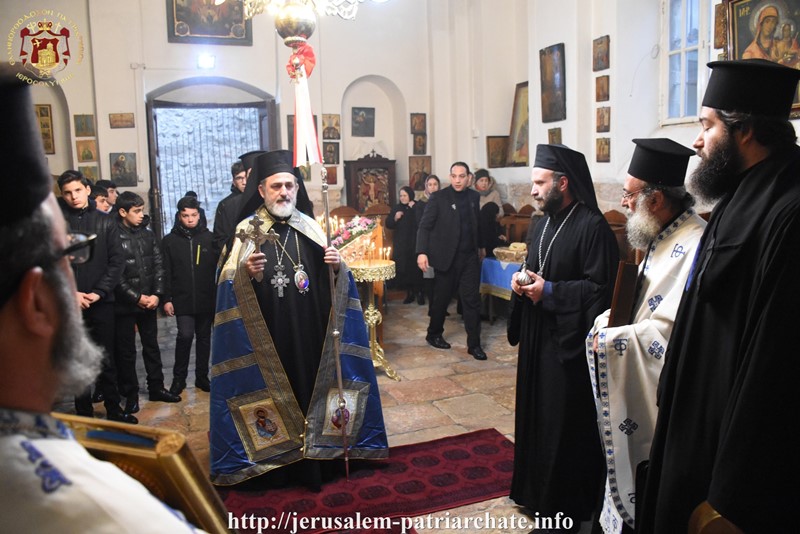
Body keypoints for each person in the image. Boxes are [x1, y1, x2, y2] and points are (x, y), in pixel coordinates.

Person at [0, 63, 202, 533]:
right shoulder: (104, 514)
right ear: (36, 302)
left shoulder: (111, 225)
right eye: (67, 257)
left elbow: (119, 265)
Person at [638, 59, 800, 533]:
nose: (697, 140)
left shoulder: (789, 209)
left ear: (744, 130)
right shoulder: (739, 195)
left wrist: (729, 494)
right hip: (696, 419)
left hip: (729, 453)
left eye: (707, 125)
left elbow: (774, 360)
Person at [209, 149, 387, 487]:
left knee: (312, 389)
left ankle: (322, 457)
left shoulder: (309, 226)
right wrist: (246, 274)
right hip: (270, 339)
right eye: (276, 186)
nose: (284, 193)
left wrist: (337, 266)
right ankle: (279, 465)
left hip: (311, 333)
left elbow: (334, 282)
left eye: (290, 185)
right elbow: (225, 285)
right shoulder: (247, 230)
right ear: (261, 190)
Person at [585, 138, 706, 534]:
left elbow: (671, 333)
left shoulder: (694, 242)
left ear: (655, 201)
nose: (623, 203)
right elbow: (644, 307)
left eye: (629, 194)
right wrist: (611, 319)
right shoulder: (661, 234)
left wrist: (610, 341)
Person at [509, 144, 619, 532]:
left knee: (560, 424)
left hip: (567, 345)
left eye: (539, 183)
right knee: (536, 416)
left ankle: (561, 503)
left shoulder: (593, 227)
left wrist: (551, 292)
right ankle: (534, 492)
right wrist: (521, 282)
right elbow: (533, 266)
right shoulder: (541, 223)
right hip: (538, 337)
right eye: (533, 183)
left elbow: (600, 290)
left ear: (563, 182)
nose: (533, 191)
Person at [56, 170, 133, 423]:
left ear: (87, 190)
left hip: (101, 302)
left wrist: (98, 292)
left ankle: (114, 409)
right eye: (67, 192)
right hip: (70, 303)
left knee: (105, 357)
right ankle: (84, 414)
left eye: (77, 190)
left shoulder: (106, 221)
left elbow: (116, 262)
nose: (73, 197)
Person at [114, 191, 180, 416]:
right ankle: (131, 396)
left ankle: (156, 387)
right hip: (126, 305)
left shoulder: (148, 235)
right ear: (123, 212)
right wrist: (136, 297)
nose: (142, 215)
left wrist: (157, 295)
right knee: (127, 352)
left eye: (142, 210)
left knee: (152, 347)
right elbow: (115, 275)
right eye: (136, 211)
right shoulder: (113, 236)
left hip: (149, 302)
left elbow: (159, 267)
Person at [416, 162, 487, 361]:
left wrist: (481, 246)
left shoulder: (474, 196)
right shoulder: (439, 198)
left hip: (469, 258)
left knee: (472, 301)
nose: (457, 180)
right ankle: (434, 333)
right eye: (454, 176)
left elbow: (476, 224)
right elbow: (424, 227)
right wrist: (421, 252)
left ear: (468, 178)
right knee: (441, 299)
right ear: (450, 177)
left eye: (461, 176)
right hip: (446, 257)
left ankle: (474, 345)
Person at [162, 195, 217, 396]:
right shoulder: (169, 241)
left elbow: (217, 269)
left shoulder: (209, 239)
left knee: (204, 337)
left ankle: (202, 376)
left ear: (199, 215)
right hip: (182, 298)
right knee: (184, 336)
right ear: (179, 216)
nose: (190, 219)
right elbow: (165, 271)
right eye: (185, 215)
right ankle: (179, 379)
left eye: (193, 215)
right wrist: (166, 298)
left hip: (205, 297)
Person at [386, 186, 424, 304]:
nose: (402, 198)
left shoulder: (418, 205)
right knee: (405, 269)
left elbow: (422, 221)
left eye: (405, 195)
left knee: (416, 270)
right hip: (402, 244)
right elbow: (389, 224)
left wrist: (415, 209)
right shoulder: (397, 208)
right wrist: (395, 218)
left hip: (416, 243)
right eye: (401, 196)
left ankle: (420, 293)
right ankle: (410, 293)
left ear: (410, 195)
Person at [212, 157, 253, 258]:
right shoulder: (225, 205)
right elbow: (219, 237)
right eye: (239, 178)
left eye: (246, 177)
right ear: (234, 181)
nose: (244, 182)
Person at [417, 175, 440, 312]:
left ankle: (440, 306)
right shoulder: (421, 204)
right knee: (429, 276)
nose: (432, 187)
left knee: (441, 277)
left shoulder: (444, 201)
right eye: (430, 184)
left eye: (435, 184)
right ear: (426, 186)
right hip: (429, 243)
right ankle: (433, 306)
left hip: (441, 243)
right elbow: (422, 225)